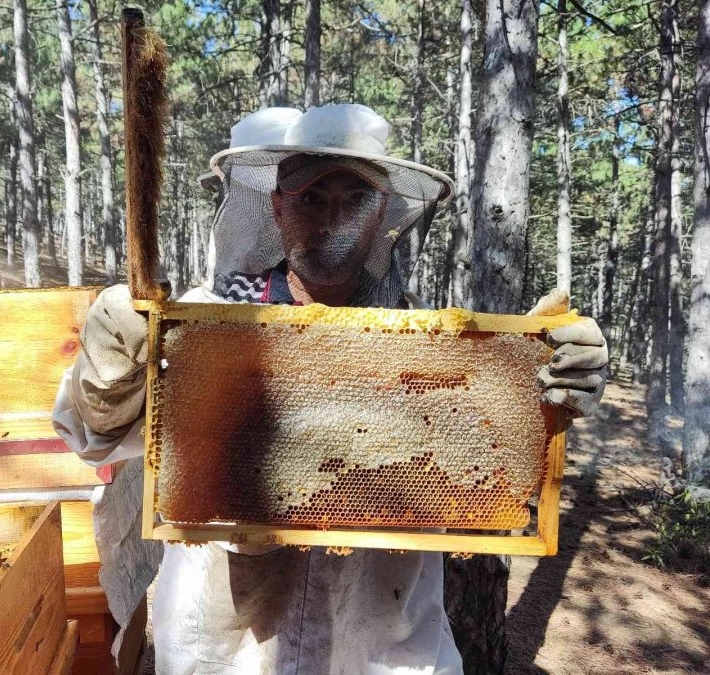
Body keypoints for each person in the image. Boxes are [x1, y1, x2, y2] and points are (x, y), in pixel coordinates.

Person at [52, 104, 609, 674]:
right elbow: (94, 437)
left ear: (384, 212)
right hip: (229, 648)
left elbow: (492, 468)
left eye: (356, 199)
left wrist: (548, 391)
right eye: (312, 197)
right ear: (277, 206)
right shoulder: (201, 326)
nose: (333, 217)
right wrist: (109, 365)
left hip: (383, 647)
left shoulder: (437, 349)